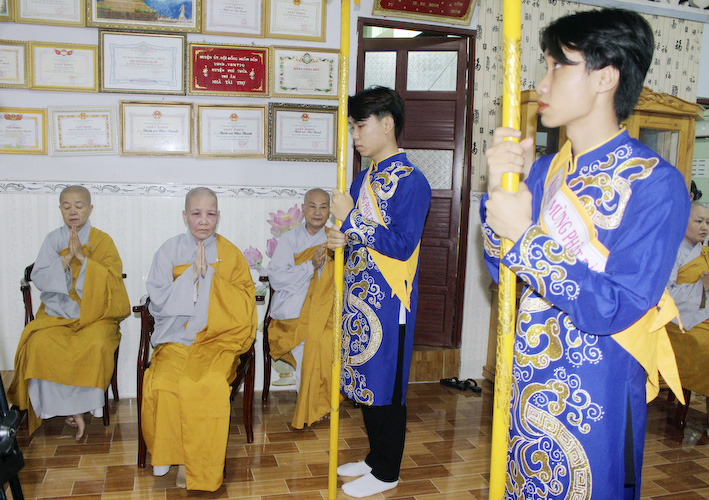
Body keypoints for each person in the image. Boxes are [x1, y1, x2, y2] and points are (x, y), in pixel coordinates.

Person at [481, 9, 689, 499]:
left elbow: (616, 305)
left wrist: (526, 237)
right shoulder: (545, 170)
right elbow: (503, 271)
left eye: (558, 65)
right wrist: (498, 193)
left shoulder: (656, 183)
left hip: (597, 391)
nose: (541, 82)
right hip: (528, 376)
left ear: (605, 77)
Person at [327, 86, 431, 498]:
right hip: (358, 297)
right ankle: (374, 458)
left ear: (387, 124)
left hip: (390, 299)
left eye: (360, 126)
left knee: (387, 385)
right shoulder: (363, 177)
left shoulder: (412, 181)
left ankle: (388, 471)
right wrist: (341, 238)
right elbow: (357, 236)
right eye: (352, 127)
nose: (354, 135)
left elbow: (402, 245)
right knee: (366, 379)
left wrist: (351, 219)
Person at [141, 187, 256, 492]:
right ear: (185, 215)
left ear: (218, 216)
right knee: (163, 382)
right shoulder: (168, 251)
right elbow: (157, 300)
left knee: (207, 385)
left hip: (218, 340)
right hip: (177, 338)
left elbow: (245, 302)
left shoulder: (230, 254)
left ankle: (199, 466)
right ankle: (174, 456)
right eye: (196, 213)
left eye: (210, 214)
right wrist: (191, 276)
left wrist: (212, 280)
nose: (203, 221)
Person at [8, 185, 130, 440]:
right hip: (57, 313)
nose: (73, 211)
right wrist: (65, 260)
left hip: (95, 315)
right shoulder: (53, 239)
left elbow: (112, 281)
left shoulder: (103, 241)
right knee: (40, 343)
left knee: (96, 344)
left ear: (90, 209)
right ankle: (56, 409)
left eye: (79, 206)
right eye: (66, 206)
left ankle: (82, 409)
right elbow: (40, 277)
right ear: (60, 209)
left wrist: (84, 260)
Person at [265, 188, 337, 428]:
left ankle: (320, 404)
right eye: (312, 206)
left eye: (323, 206)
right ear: (304, 209)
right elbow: (277, 279)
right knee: (308, 350)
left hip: (326, 312)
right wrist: (310, 266)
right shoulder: (289, 240)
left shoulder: (335, 239)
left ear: (329, 211)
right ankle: (311, 406)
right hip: (295, 314)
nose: (317, 212)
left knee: (328, 344)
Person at [666, 203, 709, 401]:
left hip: (702, 316)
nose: (704, 227)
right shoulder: (670, 252)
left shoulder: (704, 253)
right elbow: (664, 295)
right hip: (677, 323)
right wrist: (702, 287)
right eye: (698, 221)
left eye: (707, 222)